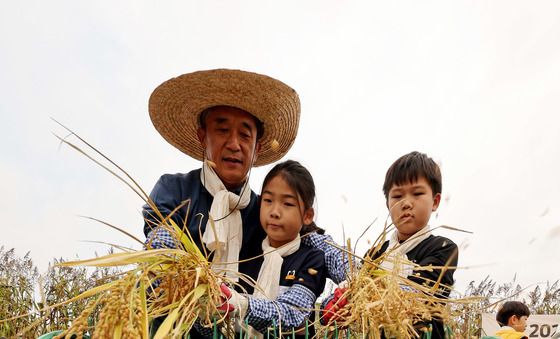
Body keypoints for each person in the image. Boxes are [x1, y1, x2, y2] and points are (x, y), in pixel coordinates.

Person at [143, 69, 347, 337]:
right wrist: (198, 287)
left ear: (257, 148)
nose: (234, 144)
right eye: (223, 130)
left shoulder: (264, 212)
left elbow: (317, 242)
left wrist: (360, 278)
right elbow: (162, 245)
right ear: (202, 136)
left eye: (245, 135)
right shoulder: (175, 191)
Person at [323, 151, 458, 338]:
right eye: (397, 196)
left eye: (417, 193)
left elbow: (419, 296)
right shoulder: (377, 252)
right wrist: (340, 301)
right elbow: (357, 286)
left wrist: (364, 293)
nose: (406, 203)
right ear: (388, 204)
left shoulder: (442, 248)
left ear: (435, 201)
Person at [205, 160, 327, 338]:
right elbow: (221, 323)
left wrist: (242, 305)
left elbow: (293, 313)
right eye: (268, 200)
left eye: (287, 204)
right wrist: (207, 311)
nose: (275, 212)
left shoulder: (312, 259)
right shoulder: (245, 252)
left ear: (307, 216)